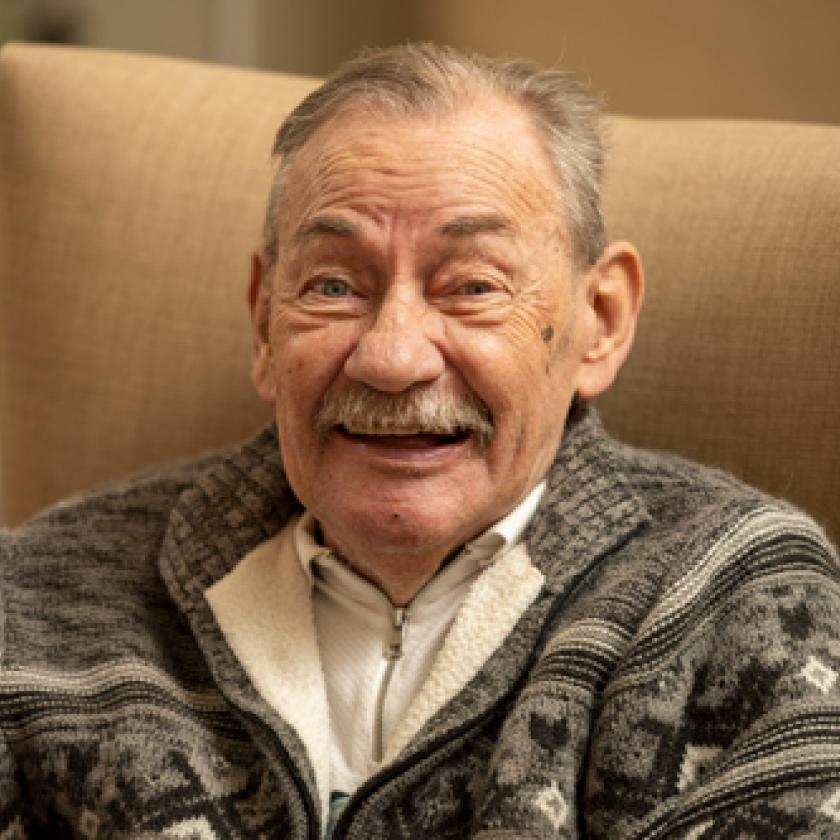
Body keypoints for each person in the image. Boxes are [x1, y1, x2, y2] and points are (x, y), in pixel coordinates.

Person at [2, 42, 839, 839]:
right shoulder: (41, 597)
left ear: (600, 321)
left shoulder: (744, 602)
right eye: (333, 285)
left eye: (472, 286)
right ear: (264, 322)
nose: (392, 357)